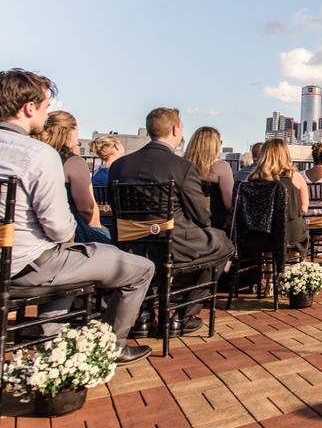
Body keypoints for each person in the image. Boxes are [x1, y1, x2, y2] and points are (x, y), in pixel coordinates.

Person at [0, 69, 154, 364]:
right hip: (25, 267)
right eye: (45, 107)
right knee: (140, 268)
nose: (46, 115)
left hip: (20, 261)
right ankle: (111, 345)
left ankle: (49, 336)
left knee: (66, 257)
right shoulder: (37, 154)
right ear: (28, 108)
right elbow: (59, 229)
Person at [109, 108, 234, 335]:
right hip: (171, 243)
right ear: (175, 129)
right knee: (224, 244)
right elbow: (202, 217)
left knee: (152, 256)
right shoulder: (182, 167)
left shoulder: (119, 165)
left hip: (129, 245)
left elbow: (116, 208)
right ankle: (182, 315)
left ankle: (145, 316)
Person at [37, 110, 110, 244]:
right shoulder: (74, 162)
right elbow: (86, 209)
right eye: (77, 131)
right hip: (70, 233)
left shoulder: (36, 156)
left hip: (37, 232)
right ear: (68, 132)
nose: (78, 137)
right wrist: (99, 229)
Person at [246, 139, 310, 259]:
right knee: (298, 229)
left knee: (267, 239)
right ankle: (293, 266)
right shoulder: (295, 177)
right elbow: (304, 208)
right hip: (290, 233)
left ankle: (267, 272)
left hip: (262, 234)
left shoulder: (254, 178)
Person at [184, 127, 235, 231]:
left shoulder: (182, 165)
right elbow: (229, 204)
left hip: (186, 226)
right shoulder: (222, 167)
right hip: (213, 227)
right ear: (214, 146)